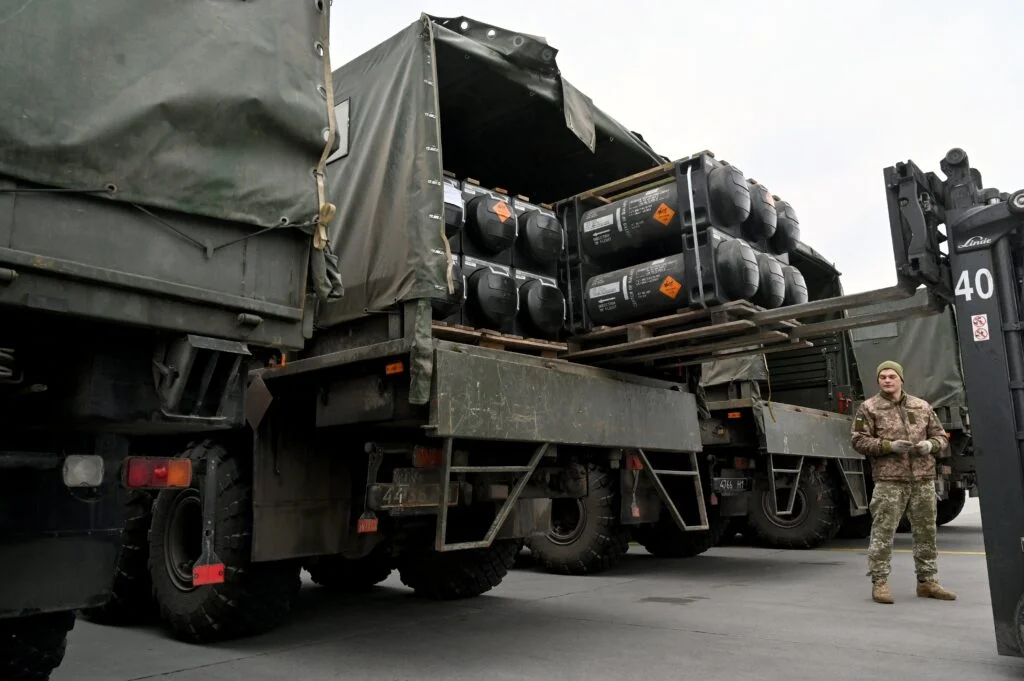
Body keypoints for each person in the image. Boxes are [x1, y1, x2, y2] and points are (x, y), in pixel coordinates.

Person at [850, 360, 957, 604]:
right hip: (889, 480)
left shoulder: (921, 406)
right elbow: (858, 441)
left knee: (926, 532)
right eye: (883, 377)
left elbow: (940, 436)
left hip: (922, 479)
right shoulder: (869, 408)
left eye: (891, 376)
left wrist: (930, 445)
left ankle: (927, 581)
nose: (887, 380)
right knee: (883, 532)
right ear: (878, 381)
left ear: (901, 379)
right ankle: (880, 582)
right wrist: (888, 446)